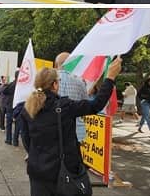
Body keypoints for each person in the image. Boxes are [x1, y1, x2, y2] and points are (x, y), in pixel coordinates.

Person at [22, 58, 121, 196]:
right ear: (55, 84)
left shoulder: (27, 108)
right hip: (63, 171)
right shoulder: (64, 106)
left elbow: (26, 140)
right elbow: (96, 105)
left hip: (37, 171)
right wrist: (110, 77)